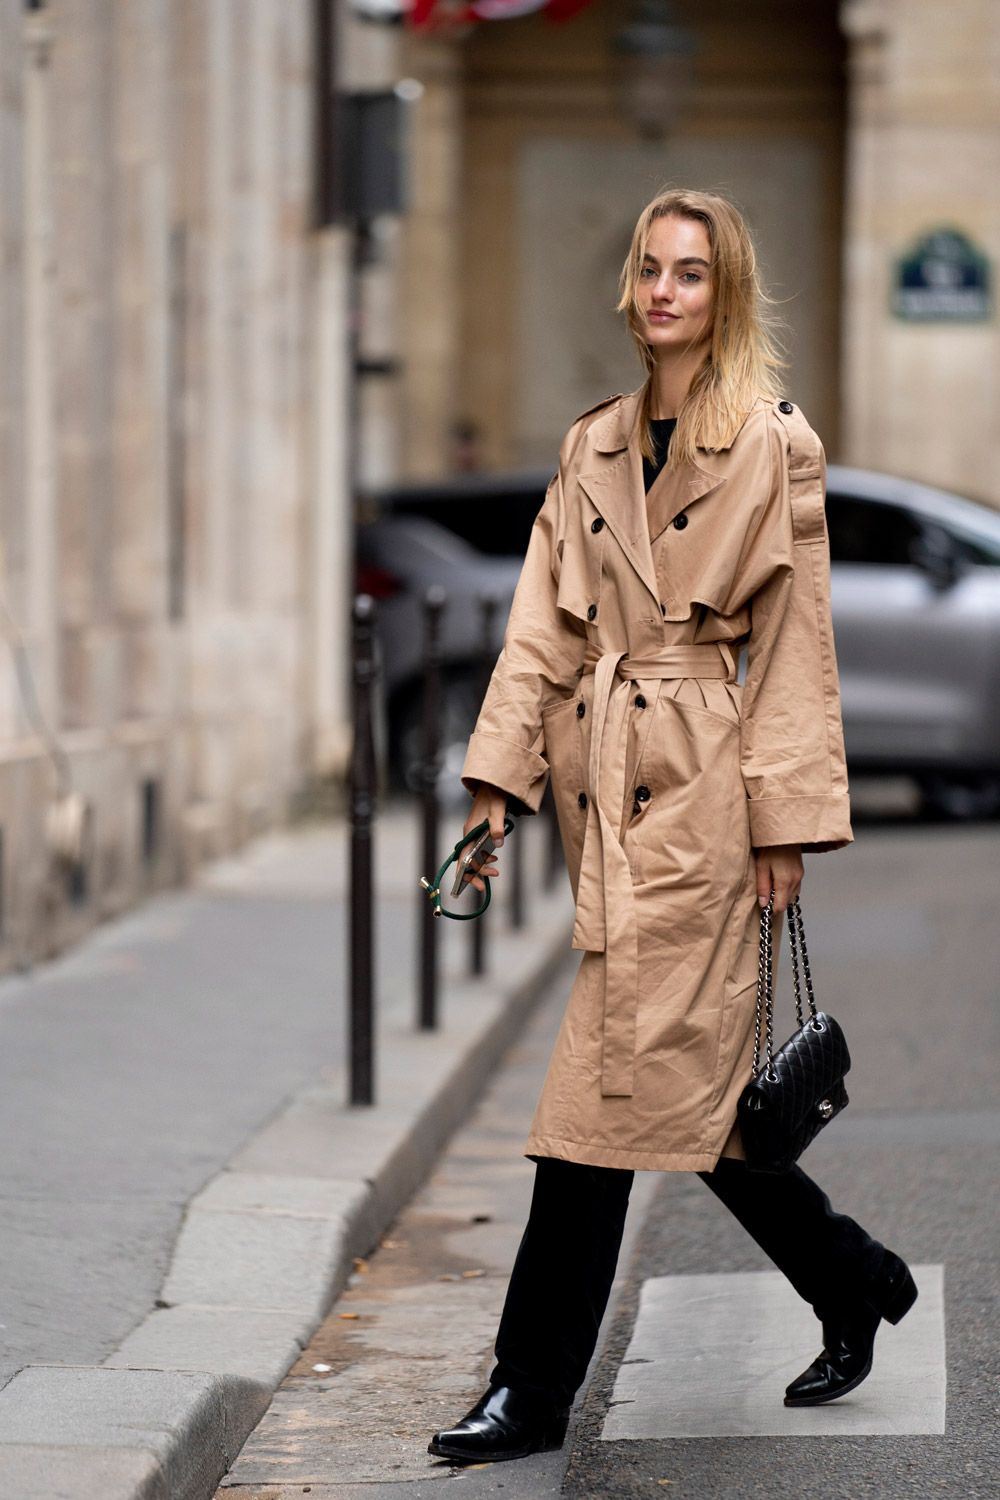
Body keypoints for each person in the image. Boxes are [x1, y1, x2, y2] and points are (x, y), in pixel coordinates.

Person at [428, 187, 916, 1465]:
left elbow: (795, 645)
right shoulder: (589, 446)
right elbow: (541, 624)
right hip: (606, 793)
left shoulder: (771, 442)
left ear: (724, 294)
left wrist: (782, 824)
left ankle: (529, 1393)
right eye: (648, 269)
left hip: (703, 791)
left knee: (594, 1102)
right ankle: (852, 1277)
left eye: (690, 274)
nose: (662, 291)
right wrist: (496, 790)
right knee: (682, 1102)